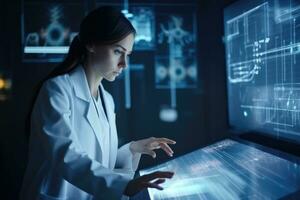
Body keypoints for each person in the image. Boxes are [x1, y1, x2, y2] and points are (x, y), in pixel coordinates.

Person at [20, 6, 176, 200]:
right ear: (91, 44)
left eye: (127, 55)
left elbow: (100, 162)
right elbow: (66, 156)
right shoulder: (57, 89)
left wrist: (131, 149)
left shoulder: (107, 100)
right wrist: (125, 185)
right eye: (118, 51)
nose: (124, 64)